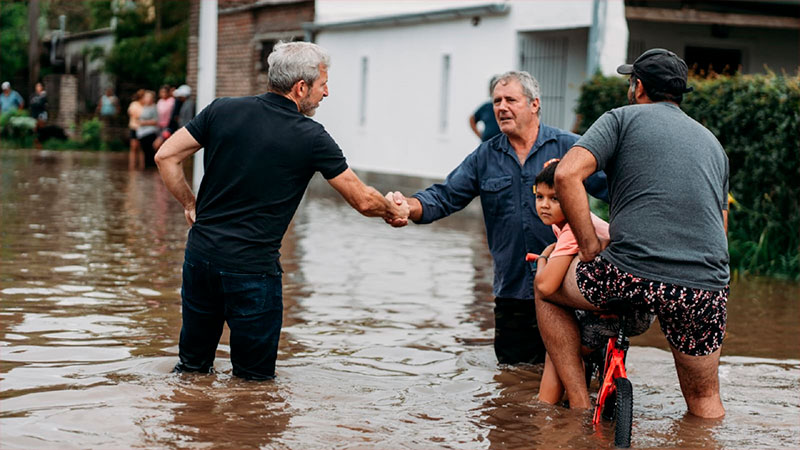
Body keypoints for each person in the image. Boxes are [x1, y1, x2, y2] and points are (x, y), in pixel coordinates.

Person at [154, 41, 410, 380]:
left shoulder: (221, 110)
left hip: (200, 259)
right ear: (301, 87)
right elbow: (362, 200)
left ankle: (188, 413)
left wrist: (191, 204)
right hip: (252, 270)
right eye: (323, 84)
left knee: (191, 371)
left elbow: (165, 156)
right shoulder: (311, 137)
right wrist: (392, 209)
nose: (326, 92)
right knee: (255, 385)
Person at [537, 48, 729, 418]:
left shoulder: (620, 119)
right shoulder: (713, 145)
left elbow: (566, 174)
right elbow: (720, 229)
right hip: (704, 287)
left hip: (628, 273)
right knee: (705, 400)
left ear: (638, 86)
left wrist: (589, 246)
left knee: (545, 284)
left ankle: (577, 405)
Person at [385, 71, 607, 365]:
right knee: (512, 377)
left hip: (569, 288)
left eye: (510, 100)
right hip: (513, 292)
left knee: (581, 374)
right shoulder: (485, 157)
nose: (501, 107)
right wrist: (408, 206)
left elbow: (614, 190)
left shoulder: (570, 148)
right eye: (497, 101)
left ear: (534, 104)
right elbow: (445, 196)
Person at [531, 159, 653, 404]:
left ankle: (552, 409)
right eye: (539, 197)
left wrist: (544, 257)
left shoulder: (574, 228)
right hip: (637, 300)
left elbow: (546, 286)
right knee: (562, 342)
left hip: (631, 309)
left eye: (555, 199)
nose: (544, 205)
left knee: (559, 350)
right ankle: (556, 402)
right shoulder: (569, 224)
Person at [469, 76, 501, 142]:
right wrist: (479, 135)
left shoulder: (506, 107)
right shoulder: (486, 107)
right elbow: (472, 119)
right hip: (487, 143)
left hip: (502, 144)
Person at [136, 91, 160, 168]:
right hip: (142, 133)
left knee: (150, 153)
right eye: (145, 97)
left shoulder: (154, 107)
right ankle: (146, 170)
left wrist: (144, 122)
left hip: (150, 132)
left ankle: (151, 169)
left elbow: (156, 121)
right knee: (145, 153)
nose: (146, 99)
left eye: (148, 97)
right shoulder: (144, 107)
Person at [153, 85, 175, 150]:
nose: (163, 94)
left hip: (168, 126)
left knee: (159, 144)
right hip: (159, 126)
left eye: (164, 92)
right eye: (161, 92)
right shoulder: (160, 102)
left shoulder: (172, 101)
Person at [128, 89, 145, 170]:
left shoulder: (147, 105)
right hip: (134, 127)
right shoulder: (134, 104)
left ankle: (142, 166)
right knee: (134, 147)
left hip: (144, 129)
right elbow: (133, 114)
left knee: (142, 148)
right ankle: (132, 165)